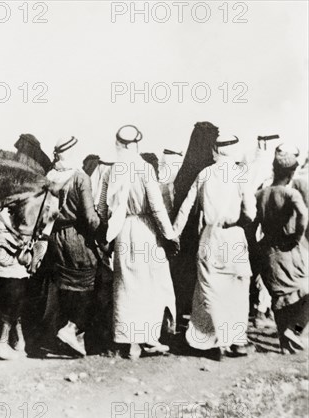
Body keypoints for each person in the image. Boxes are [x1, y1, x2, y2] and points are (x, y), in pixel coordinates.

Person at [99, 125, 179, 360]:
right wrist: (169, 235)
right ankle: (149, 337)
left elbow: (102, 208)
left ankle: (130, 342)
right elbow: (156, 206)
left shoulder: (110, 171)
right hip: (146, 230)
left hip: (123, 230)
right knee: (150, 284)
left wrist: (106, 235)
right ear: (136, 145)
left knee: (126, 286)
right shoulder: (144, 169)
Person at [173, 135, 256, 358]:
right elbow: (250, 212)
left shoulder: (205, 173)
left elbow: (186, 207)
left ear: (215, 150)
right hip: (234, 235)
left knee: (210, 288)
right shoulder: (241, 174)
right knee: (237, 289)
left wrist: (173, 235)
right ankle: (236, 341)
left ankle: (212, 340)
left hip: (210, 236)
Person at [44, 136, 103, 356]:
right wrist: (103, 228)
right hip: (76, 236)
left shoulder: (50, 176)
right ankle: (72, 328)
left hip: (54, 236)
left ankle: (60, 336)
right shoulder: (80, 177)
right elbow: (89, 218)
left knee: (63, 285)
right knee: (88, 283)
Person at [254, 145, 309, 353]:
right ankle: (294, 332)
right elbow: (303, 215)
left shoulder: (260, 194)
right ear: (292, 172)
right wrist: (296, 237)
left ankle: (285, 344)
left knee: (278, 299)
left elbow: (252, 224)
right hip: (287, 249)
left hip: (267, 251)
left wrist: (256, 248)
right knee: (303, 295)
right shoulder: (291, 194)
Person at [0, 208, 30, 360]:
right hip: (6, 242)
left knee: (15, 293)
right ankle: (3, 343)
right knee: (14, 291)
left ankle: (18, 338)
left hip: (2, 241)